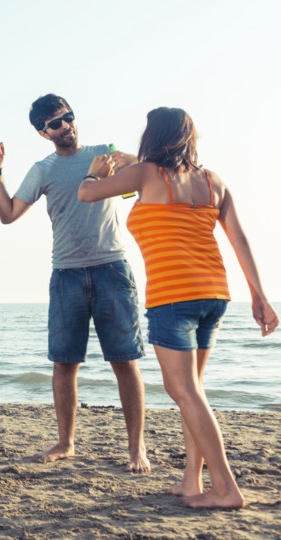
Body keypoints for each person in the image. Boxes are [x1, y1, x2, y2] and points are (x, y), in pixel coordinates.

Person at [78, 107, 278, 509]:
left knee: (183, 391)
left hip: (173, 296)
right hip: (214, 294)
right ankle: (192, 481)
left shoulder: (147, 173)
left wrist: (96, 171)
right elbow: (240, 240)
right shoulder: (212, 181)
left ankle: (225, 488)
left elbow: (87, 194)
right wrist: (259, 295)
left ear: (152, 136)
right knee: (194, 392)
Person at [0, 94, 150, 472]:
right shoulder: (42, 170)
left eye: (69, 118)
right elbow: (8, 214)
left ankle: (137, 448)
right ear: (44, 133)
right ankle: (65, 443)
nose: (66, 127)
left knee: (125, 361)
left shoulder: (103, 153)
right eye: (56, 123)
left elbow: (148, 169)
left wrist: (122, 169)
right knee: (64, 363)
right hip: (66, 275)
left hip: (112, 269)